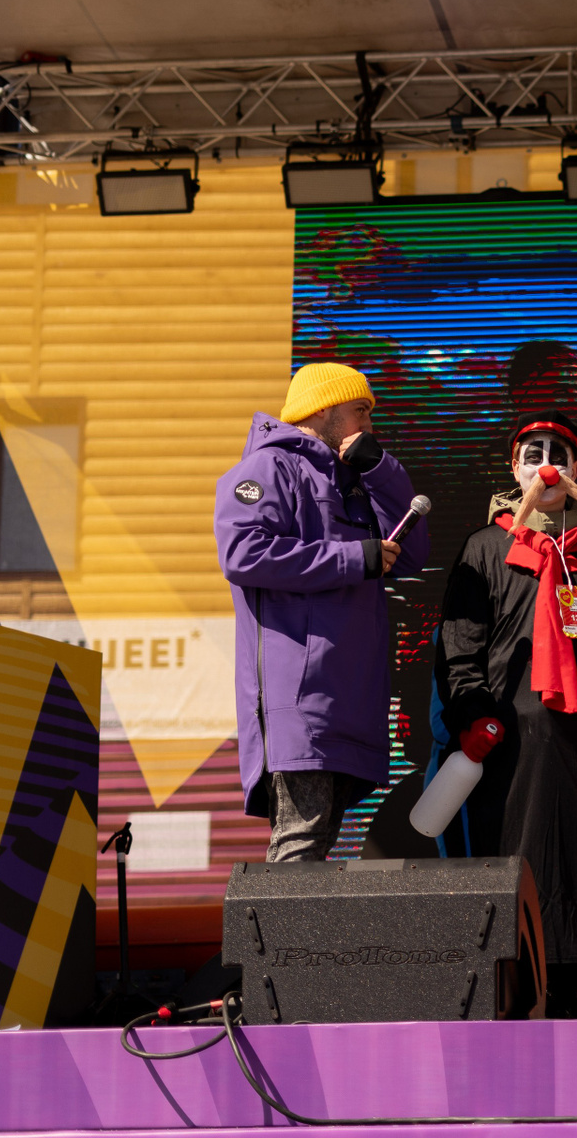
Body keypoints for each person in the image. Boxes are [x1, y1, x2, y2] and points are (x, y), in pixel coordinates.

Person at [434, 413, 577, 1018]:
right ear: (514, 468)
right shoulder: (485, 547)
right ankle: (515, 979)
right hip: (509, 739)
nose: (546, 466)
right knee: (513, 855)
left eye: (559, 455)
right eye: (534, 454)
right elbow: (461, 647)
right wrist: (473, 713)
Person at [215, 362, 428, 862]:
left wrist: (381, 470)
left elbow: (411, 554)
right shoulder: (267, 468)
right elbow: (243, 553)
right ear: (322, 409)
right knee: (301, 843)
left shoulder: (356, 477)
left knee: (317, 847)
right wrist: (355, 558)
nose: (368, 424)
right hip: (301, 700)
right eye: (360, 411)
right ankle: (278, 922)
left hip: (351, 699)